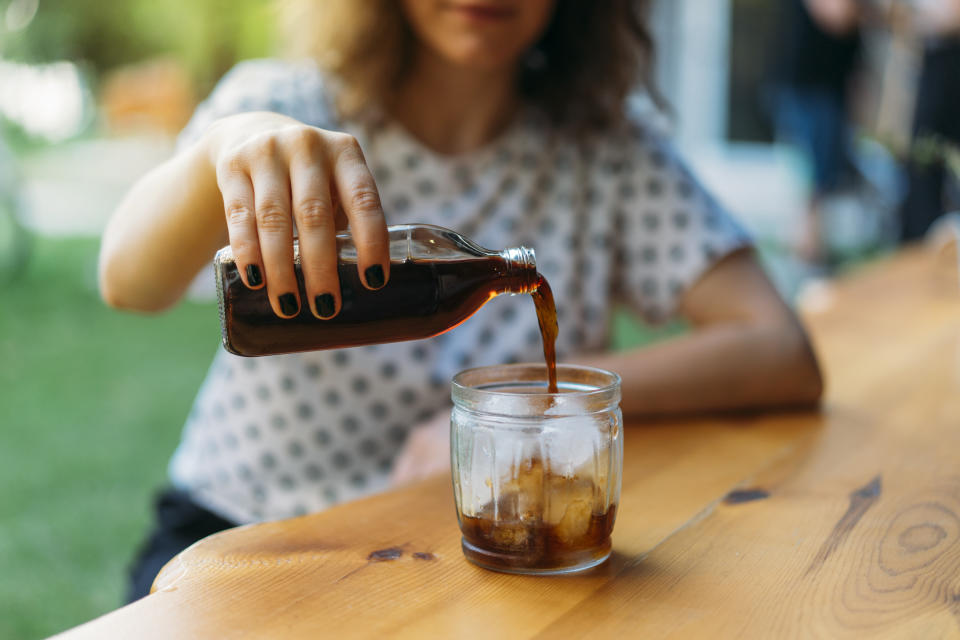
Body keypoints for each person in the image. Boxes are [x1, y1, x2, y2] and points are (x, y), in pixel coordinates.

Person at [99, 0, 823, 601]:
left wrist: (530, 404)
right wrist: (225, 146)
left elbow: (780, 348)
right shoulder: (287, 105)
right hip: (241, 540)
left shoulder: (607, 151)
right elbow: (128, 282)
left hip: (458, 560)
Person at [768, 0, 863, 264]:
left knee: (819, 180)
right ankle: (806, 256)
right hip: (809, 86)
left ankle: (809, 251)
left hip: (825, 87)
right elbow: (838, 15)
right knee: (812, 180)